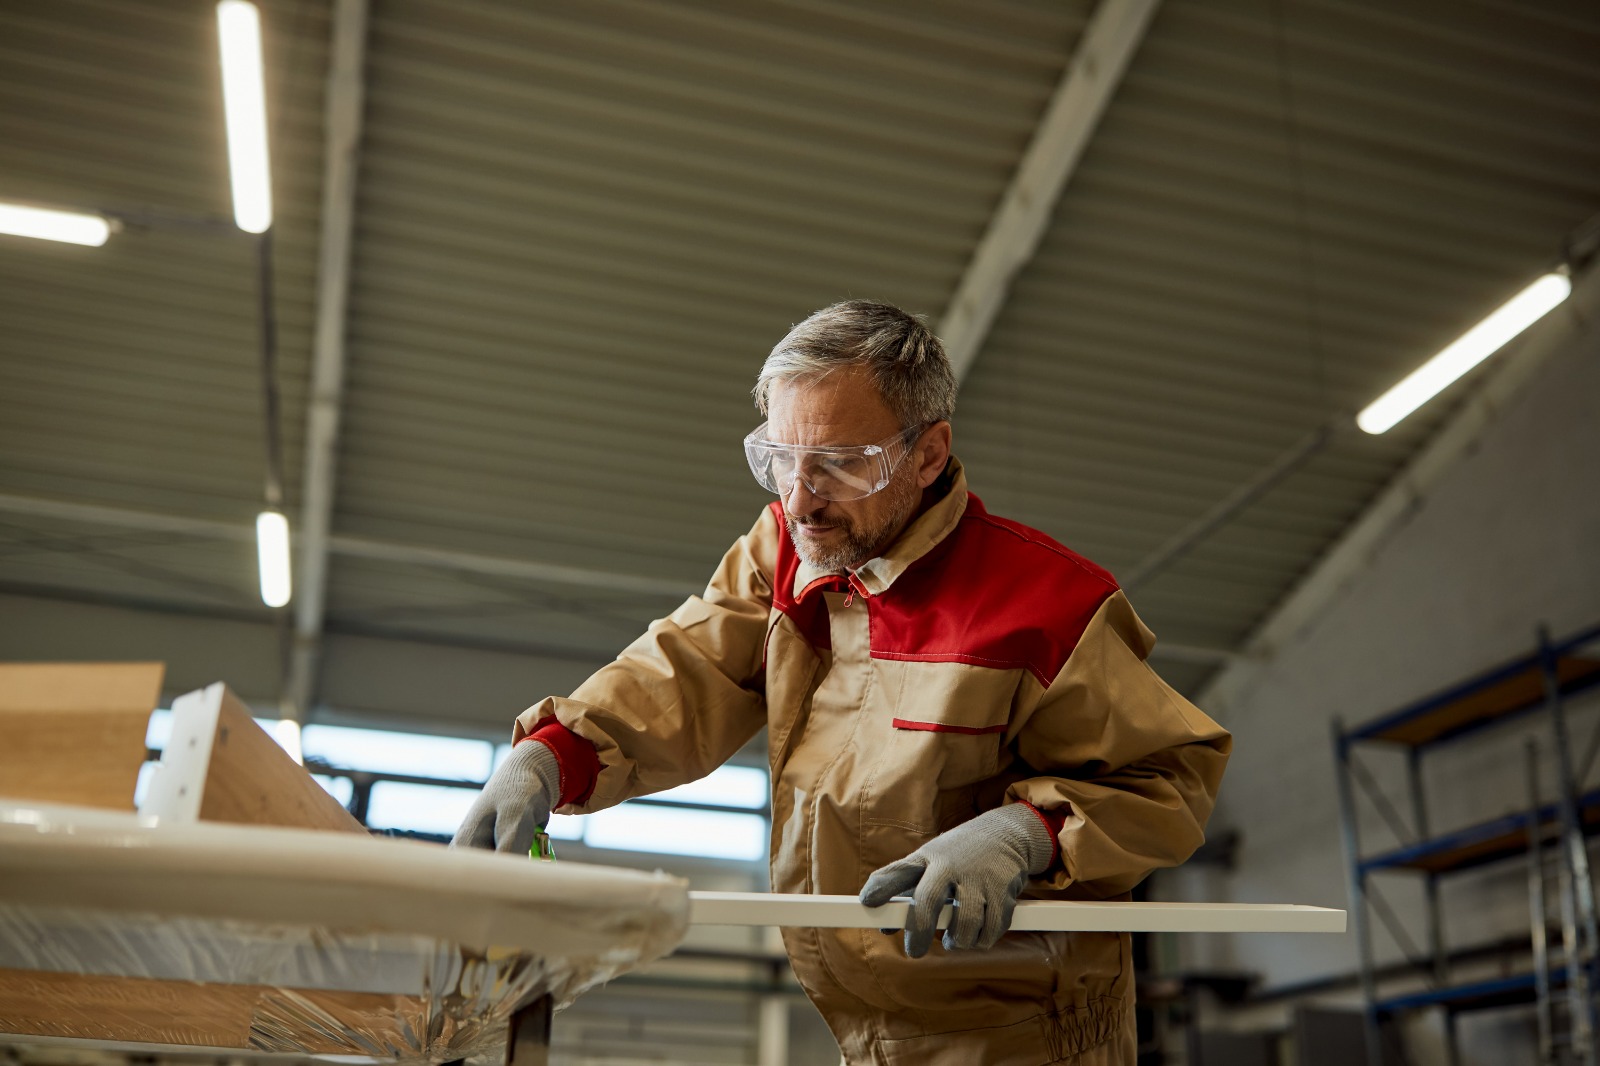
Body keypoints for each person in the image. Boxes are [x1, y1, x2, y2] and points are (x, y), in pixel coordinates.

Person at [453, 300, 1231, 1066]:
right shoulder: (787, 553)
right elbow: (687, 666)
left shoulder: (1050, 607)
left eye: (838, 464)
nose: (798, 498)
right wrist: (554, 753)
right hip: (861, 1027)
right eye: (781, 458)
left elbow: (1170, 776)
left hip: (1027, 1037)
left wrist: (1026, 836)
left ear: (928, 455)